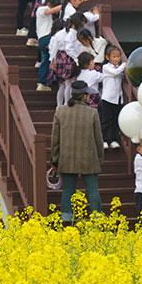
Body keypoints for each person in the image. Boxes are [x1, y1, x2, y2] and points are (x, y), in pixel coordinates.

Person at [50, 80, 104, 224]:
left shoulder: (60, 111)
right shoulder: (92, 113)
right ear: (84, 96)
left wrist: (54, 160)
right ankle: (97, 219)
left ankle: (67, 220)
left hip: (66, 158)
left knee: (68, 190)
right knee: (92, 190)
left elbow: (55, 139)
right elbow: (99, 139)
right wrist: (100, 159)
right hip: (89, 158)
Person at [49, 13, 87, 107]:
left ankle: (59, 105)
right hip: (68, 58)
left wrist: (52, 60)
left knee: (63, 85)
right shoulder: (71, 34)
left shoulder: (62, 34)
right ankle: (66, 104)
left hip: (61, 58)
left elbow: (53, 48)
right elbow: (69, 48)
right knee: (68, 83)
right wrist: (77, 58)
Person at [35, 0, 63, 91]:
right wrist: (65, 5)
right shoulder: (41, 9)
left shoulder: (46, 15)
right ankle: (45, 81)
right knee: (50, 58)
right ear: (49, 4)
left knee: (45, 60)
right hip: (47, 38)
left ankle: (42, 82)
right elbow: (51, 11)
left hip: (42, 40)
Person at [100, 45, 126, 149]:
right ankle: (104, 140)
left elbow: (120, 75)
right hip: (107, 98)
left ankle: (114, 140)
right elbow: (115, 73)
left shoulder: (119, 68)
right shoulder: (106, 67)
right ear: (107, 57)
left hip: (118, 98)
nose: (116, 59)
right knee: (106, 120)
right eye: (114, 57)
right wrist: (123, 66)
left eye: (118, 57)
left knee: (116, 120)